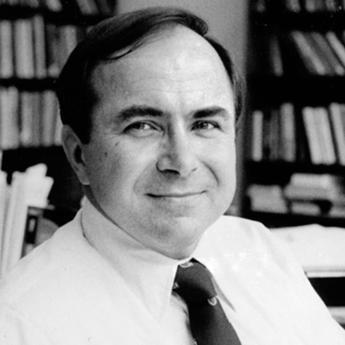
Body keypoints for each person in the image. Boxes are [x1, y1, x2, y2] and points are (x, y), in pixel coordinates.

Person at [0, 7, 344, 345]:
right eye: (143, 126)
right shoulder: (20, 325)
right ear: (79, 155)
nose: (182, 162)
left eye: (205, 124)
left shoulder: (260, 249)